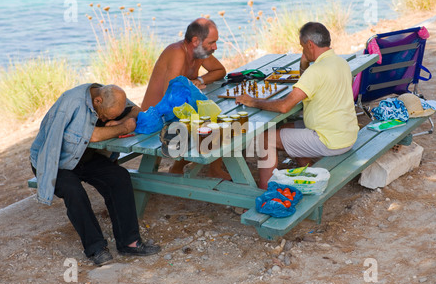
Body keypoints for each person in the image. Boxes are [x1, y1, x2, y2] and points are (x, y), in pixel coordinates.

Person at [30, 83, 161, 266]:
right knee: (73, 191)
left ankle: (129, 243)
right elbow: (94, 136)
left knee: (119, 177)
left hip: (83, 156)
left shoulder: (109, 95)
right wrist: (123, 128)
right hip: (54, 161)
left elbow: (136, 110)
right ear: (97, 101)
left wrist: (119, 120)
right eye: (106, 116)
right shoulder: (72, 103)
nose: (106, 119)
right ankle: (96, 248)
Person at [236, 22, 359, 189]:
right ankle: (305, 173)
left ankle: (265, 193)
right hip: (346, 133)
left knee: (265, 138)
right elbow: (312, 83)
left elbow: (284, 106)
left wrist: (253, 101)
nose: (303, 51)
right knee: (286, 127)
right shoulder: (340, 62)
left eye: (303, 47)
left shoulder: (316, 71)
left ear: (310, 44)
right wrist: (304, 64)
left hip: (330, 140)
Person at [141, 17, 229, 179]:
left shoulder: (200, 52)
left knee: (217, 119)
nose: (215, 47)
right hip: (157, 117)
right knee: (212, 122)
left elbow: (220, 71)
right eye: (211, 43)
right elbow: (170, 96)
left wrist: (199, 81)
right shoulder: (176, 53)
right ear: (195, 40)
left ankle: (207, 168)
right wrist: (192, 89)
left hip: (176, 112)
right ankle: (183, 168)